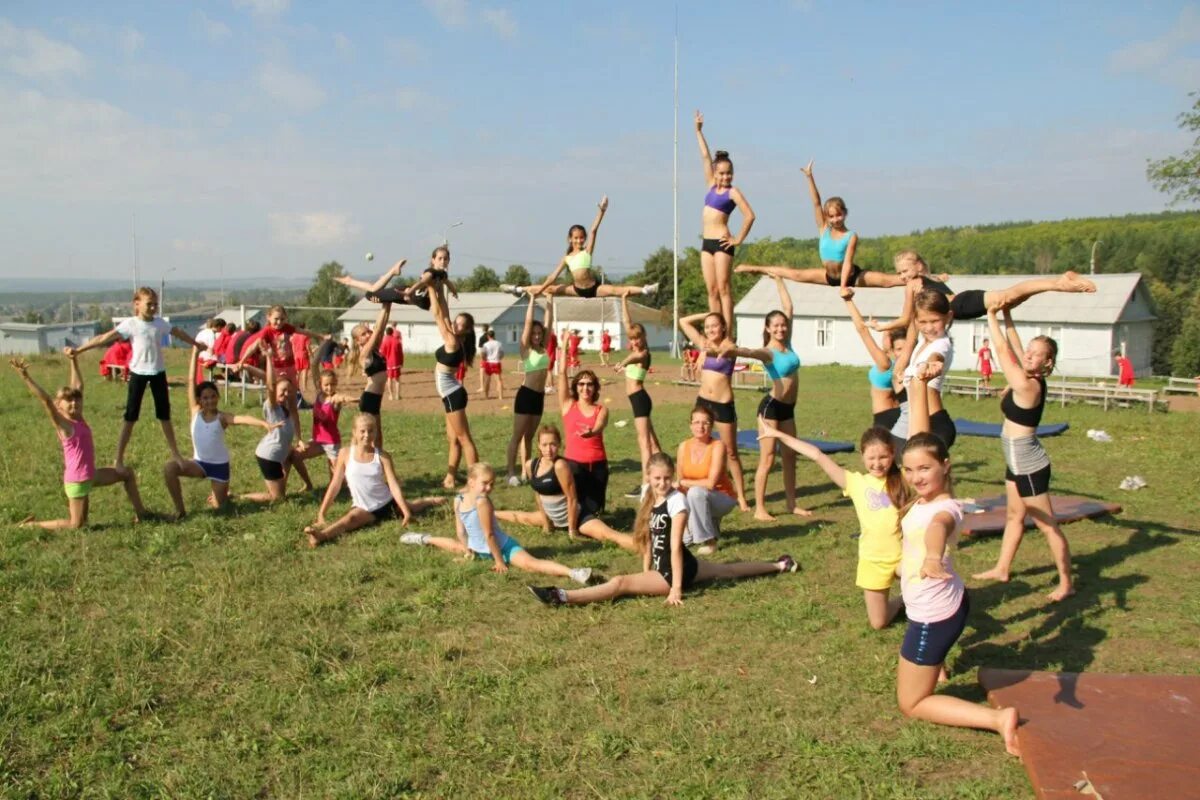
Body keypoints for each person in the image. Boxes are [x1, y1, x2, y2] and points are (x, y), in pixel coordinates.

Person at [892, 366, 1021, 756]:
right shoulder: (925, 494)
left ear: (946, 466)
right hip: (947, 600)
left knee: (911, 703)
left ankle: (998, 720)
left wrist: (932, 555)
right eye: (910, 469)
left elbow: (937, 529)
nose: (915, 476)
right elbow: (921, 438)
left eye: (925, 468)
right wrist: (918, 385)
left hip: (935, 614)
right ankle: (937, 662)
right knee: (923, 664)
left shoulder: (945, 508)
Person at [528, 453, 797, 607]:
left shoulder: (677, 502)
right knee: (728, 569)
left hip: (673, 570)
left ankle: (562, 596)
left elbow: (675, 547)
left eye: (667, 478)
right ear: (649, 477)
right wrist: (646, 570)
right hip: (666, 566)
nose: (662, 483)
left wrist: (675, 588)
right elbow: (648, 539)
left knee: (620, 583)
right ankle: (779, 565)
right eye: (657, 478)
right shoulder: (650, 495)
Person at [760, 422, 909, 629]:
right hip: (873, 559)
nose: (877, 463)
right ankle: (903, 600)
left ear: (893, 454)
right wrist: (777, 434)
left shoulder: (905, 478)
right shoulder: (855, 482)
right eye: (871, 458)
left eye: (883, 457)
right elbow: (817, 455)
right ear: (862, 456)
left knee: (924, 587)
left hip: (905, 557)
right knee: (878, 623)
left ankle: (922, 599)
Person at [972, 309, 1073, 601]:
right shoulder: (1028, 373)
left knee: (1046, 524)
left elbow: (1003, 350)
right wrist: (1006, 314)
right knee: (1014, 516)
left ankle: (1067, 582)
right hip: (1015, 461)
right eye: (1029, 351)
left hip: (1029, 465)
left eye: (1036, 354)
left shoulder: (1028, 385)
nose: (1028, 356)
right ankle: (1002, 568)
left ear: (1048, 362)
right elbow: (1014, 344)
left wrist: (989, 312)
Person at [66, 286, 206, 468]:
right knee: (130, 417)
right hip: (138, 374)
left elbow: (177, 332)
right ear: (137, 304)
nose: (153, 308)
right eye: (149, 304)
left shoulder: (160, 323)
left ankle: (176, 454)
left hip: (158, 373)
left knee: (165, 416)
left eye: (156, 304)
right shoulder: (130, 324)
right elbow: (104, 338)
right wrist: (78, 350)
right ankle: (119, 458)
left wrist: (195, 343)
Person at [10, 354, 148, 528]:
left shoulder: (78, 418)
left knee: (127, 473)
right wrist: (25, 377)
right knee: (77, 525)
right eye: (68, 400)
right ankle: (30, 526)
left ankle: (143, 514)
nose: (74, 402)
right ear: (58, 404)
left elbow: (78, 386)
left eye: (76, 399)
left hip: (91, 474)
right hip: (77, 481)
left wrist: (73, 360)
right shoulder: (64, 425)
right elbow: (45, 400)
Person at [400, 462, 594, 585]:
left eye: (492, 483)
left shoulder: (482, 502)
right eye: (485, 483)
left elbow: (490, 534)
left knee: (530, 564)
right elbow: (460, 530)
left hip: (502, 547)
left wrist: (500, 559)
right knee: (453, 545)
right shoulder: (459, 499)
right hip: (480, 548)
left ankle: (573, 572)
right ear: (471, 481)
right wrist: (468, 551)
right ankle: (423, 538)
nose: (489, 487)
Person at [736, 162, 909, 295]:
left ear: (845, 214)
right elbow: (816, 203)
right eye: (832, 216)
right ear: (827, 217)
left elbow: (847, 262)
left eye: (839, 215)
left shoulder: (850, 236)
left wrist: (843, 287)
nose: (836, 220)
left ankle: (927, 278)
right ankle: (754, 268)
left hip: (850, 276)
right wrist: (809, 177)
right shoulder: (824, 229)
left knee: (887, 281)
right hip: (828, 276)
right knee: (794, 274)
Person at [164, 345, 281, 519]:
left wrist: (265, 424)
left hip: (219, 468)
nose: (209, 400)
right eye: (205, 397)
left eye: (213, 396)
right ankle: (180, 511)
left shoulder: (222, 417)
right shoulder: (195, 411)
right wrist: (195, 354)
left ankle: (227, 496)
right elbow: (191, 381)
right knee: (169, 468)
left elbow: (243, 418)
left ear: (217, 397)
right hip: (199, 464)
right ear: (199, 400)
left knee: (221, 509)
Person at [725, 275, 808, 520]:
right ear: (768, 328)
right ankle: (760, 508)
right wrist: (734, 350)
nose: (781, 328)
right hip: (771, 408)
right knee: (768, 457)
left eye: (783, 325)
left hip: (788, 410)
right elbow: (750, 351)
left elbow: (789, 308)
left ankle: (791, 504)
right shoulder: (768, 352)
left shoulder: (788, 344)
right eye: (776, 326)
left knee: (790, 455)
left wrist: (778, 280)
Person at [873, 250, 1096, 335]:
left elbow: (905, 319)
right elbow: (938, 280)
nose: (902, 277)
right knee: (1010, 301)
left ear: (918, 267)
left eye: (904, 271)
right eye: (899, 273)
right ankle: (1055, 284)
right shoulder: (928, 277)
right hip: (963, 303)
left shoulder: (913, 285)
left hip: (961, 305)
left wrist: (883, 326)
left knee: (1008, 296)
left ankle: (1059, 283)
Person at [305, 414, 444, 547]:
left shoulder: (383, 457)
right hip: (364, 507)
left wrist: (406, 512)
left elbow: (394, 486)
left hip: (387, 503)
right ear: (354, 432)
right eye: (362, 431)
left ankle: (431, 500)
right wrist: (321, 513)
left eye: (370, 431)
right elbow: (335, 485)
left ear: (375, 432)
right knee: (350, 520)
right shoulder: (345, 454)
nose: (366, 435)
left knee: (410, 507)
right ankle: (321, 536)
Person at [494, 425, 637, 551]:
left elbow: (572, 498)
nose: (549, 449)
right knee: (521, 517)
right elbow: (538, 494)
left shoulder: (560, 465)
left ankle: (644, 546)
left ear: (559, 444)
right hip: (552, 517)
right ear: (538, 445)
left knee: (609, 535)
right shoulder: (531, 465)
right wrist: (546, 523)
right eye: (544, 445)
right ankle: (491, 512)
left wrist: (572, 530)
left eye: (553, 444)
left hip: (577, 518)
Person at [502, 196, 658, 301]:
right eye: (576, 238)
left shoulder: (587, 251)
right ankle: (517, 289)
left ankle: (646, 290)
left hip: (594, 288)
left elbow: (593, 230)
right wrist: (541, 289)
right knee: (551, 289)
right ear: (570, 239)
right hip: (576, 289)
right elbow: (552, 277)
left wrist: (602, 210)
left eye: (581, 238)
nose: (579, 240)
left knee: (617, 290)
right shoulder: (567, 258)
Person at [678, 311, 750, 510]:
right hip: (703, 402)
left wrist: (704, 352)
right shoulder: (703, 342)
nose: (710, 330)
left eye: (714, 325)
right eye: (707, 326)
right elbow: (683, 320)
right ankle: (696, 489)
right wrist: (706, 315)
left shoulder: (729, 345)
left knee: (731, 452)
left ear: (724, 328)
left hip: (723, 404)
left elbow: (724, 351)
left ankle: (741, 496)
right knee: (699, 446)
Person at [694, 111, 755, 327]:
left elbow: (749, 215)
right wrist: (698, 131)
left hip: (722, 243)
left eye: (729, 173)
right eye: (721, 173)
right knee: (711, 291)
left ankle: (728, 333)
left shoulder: (733, 192)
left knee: (723, 289)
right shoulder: (711, 185)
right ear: (715, 173)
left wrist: (737, 239)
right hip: (706, 244)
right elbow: (704, 156)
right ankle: (715, 331)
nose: (725, 177)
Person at [889, 290, 957, 451]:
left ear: (948, 317)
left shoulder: (941, 344)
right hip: (918, 421)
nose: (929, 328)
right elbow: (911, 327)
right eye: (923, 322)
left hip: (935, 424)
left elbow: (936, 356)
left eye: (935, 321)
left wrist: (932, 364)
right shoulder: (922, 341)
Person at [427, 278, 479, 489]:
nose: (454, 324)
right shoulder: (454, 338)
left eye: (460, 325)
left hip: (452, 395)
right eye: (455, 322)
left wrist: (431, 287)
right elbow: (445, 313)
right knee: (453, 439)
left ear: (465, 331)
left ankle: (475, 481)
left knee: (464, 438)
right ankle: (450, 477)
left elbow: (438, 314)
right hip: (451, 393)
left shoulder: (452, 341)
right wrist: (440, 290)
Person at [614, 294, 661, 500]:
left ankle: (645, 485)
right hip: (638, 400)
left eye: (637, 338)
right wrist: (623, 299)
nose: (634, 342)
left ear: (644, 337)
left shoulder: (644, 353)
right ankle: (665, 474)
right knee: (653, 443)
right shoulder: (634, 344)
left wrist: (622, 363)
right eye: (632, 339)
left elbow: (635, 356)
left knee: (644, 443)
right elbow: (627, 322)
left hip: (640, 400)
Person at [240, 343, 299, 504]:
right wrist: (268, 357)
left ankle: (304, 485)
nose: (286, 394)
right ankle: (238, 497)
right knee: (276, 499)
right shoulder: (272, 407)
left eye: (289, 391)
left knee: (280, 492)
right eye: (282, 391)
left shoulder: (286, 408)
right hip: (269, 456)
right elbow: (271, 385)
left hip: (277, 456)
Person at [675, 405, 738, 554]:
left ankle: (709, 541)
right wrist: (685, 526)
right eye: (696, 422)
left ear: (712, 426)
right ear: (690, 425)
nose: (700, 426)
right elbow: (680, 484)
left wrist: (683, 483)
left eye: (705, 423)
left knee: (696, 492)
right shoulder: (683, 446)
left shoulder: (718, 446)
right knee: (677, 493)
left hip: (722, 497)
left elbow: (710, 483)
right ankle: (701, 528)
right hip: (695, 498)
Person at [505, 295, 553, 486]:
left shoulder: (544, 347)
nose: (536, 335)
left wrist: (550, 298)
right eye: (533, 333)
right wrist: (532, 299)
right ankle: (509, 473)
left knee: (530, 437)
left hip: (539, 397)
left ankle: (527, 472)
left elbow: (549, 320)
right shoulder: (526, 349)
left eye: (539, 333)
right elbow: (526, 323)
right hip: (526, 395)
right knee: (517, 437)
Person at [557, 354, 610, 518]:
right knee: (576, 508)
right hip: (574, 466)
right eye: (581, 384)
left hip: (597, 466)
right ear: (576, 386)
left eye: (589, 384)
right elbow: (561, 374)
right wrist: (564, 345)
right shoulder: (567, 405)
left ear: (595, 388)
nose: (585, 388)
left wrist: (592, 432)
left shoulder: (601, 409)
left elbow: (600, 426)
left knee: (595, 512)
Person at [845, 295, 905, 430]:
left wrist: (848, 301)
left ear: (891, 341)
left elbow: (862, 331)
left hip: (885, 417)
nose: (883, 333)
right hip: (900, 413)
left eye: (886, 333)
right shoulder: (904, 362)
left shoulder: (885, 363)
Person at [291, 368, 356, 485]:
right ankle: (308, 485)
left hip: (331, 443)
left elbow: (342, 397)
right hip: (317, 440)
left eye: (332, 384)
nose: (329, 388)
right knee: (296, 455)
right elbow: (314, 368)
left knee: (337, 482)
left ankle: (355, 483)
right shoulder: (319, 395)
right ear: (320, 385)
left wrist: (357, 399)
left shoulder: (334, 398)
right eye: (326, 385)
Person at [337, 253, 460, 311]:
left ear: (449, 260)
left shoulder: (442, 274)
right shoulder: (431, 272)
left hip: (407, 295)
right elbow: (422, 282)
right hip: (401, 293)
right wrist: (409, 293)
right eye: (440, 258)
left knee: (374, 290)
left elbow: (448, 282)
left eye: (446, 259)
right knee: (371, 294)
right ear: (433, 260)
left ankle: (351, 281)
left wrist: (454, 292)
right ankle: (392, 272)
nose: (443, 261)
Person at [347, 303, 393, 449]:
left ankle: (370, 463)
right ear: (357, 340)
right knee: (370, 436)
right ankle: (354, 461)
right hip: (369, 400)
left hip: (374, 399)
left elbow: (381, 326)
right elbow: (378, 329)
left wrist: (387, 306)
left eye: (368, 332)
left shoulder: (374, 350)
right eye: (363, 334)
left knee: (373, 435)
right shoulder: (364, 354)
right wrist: (385, 304)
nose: (368, 334)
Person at [378, 325, 401, 401]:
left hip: (388, 364)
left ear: (386, 333)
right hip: (396, 363)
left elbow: (381, 353)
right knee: (397, 379)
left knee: (389, 379)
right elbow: (400, 353)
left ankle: (391, 395)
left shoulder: (384, 341)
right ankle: (397, 395)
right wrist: (401, 362)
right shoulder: (397, 341)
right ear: (392, 333)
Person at [481, 330, 505, 400]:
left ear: (488, 336)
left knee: (487, 380)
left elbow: (483, 354)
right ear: (494, 336)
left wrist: (484, 359)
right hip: (496, 362)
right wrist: (499, 358)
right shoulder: (499, 343)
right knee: (499, 380)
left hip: (489, 363)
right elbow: (502, 354)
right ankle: (500, 397)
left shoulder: (486, 344)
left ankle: (486, 396)